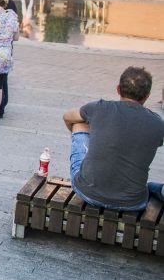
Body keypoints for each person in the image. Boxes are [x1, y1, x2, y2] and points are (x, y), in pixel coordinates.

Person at [62, 66, 164, 211]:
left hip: (87, 192)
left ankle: (89, 170)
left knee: (79, 122)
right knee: (151, 187)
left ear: (118, 89)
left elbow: (67, 117)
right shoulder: (158, 123)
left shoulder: (100, 108)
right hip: (133, 203)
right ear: (147, 95)